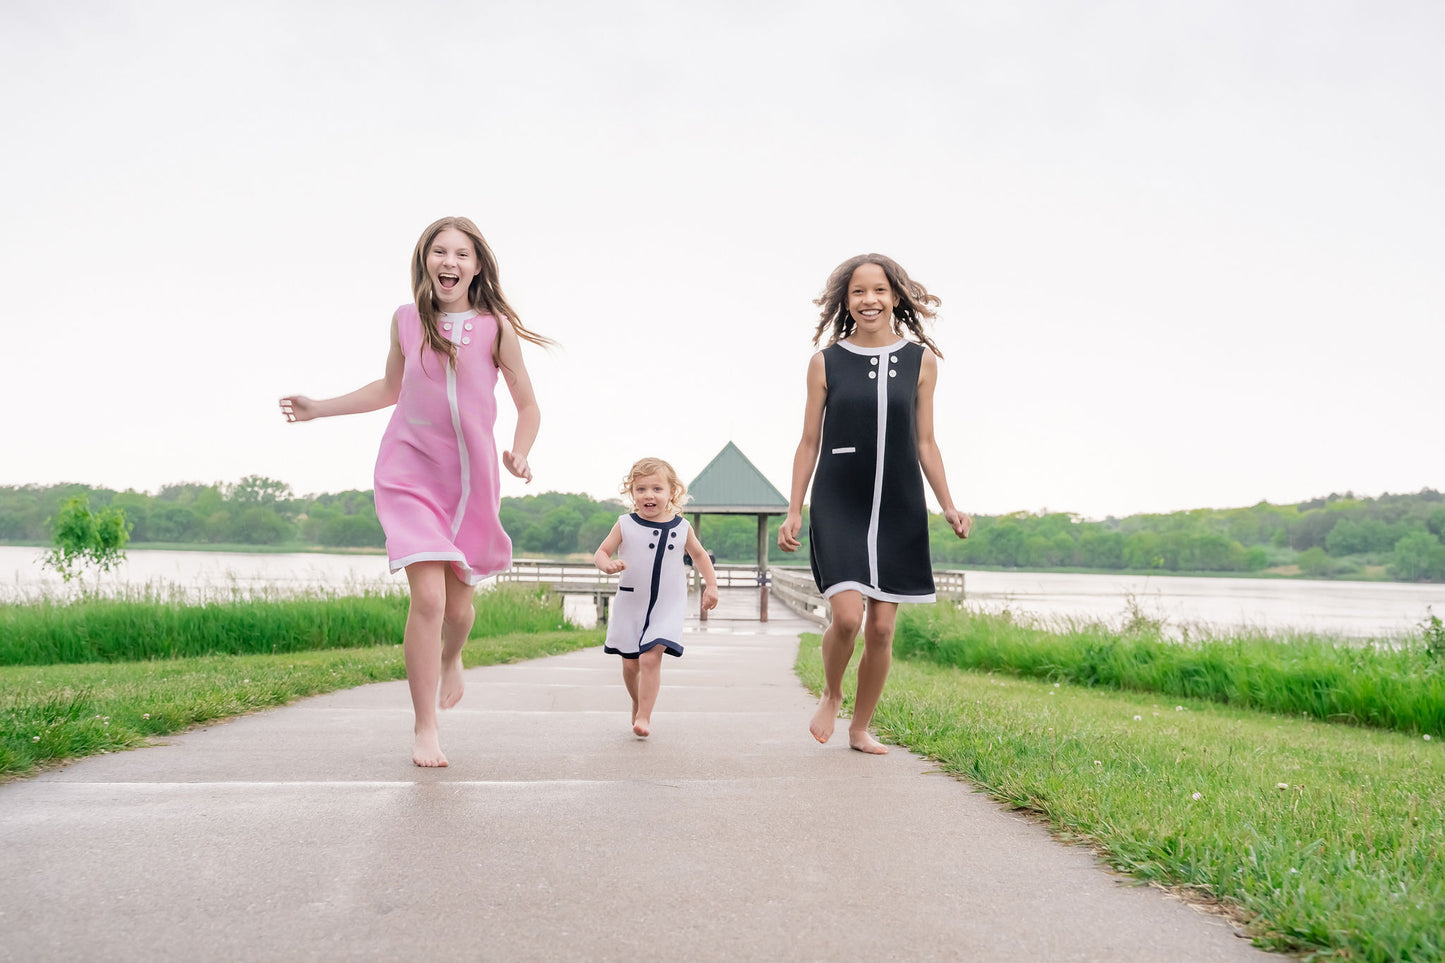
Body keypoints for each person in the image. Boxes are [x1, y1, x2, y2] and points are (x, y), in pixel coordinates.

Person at [279, 216, 549, 768]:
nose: (449, 262)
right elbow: (389, 388)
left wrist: (521, 452)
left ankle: (453, 657)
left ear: (478, 266)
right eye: (439, 251)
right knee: (428, 598)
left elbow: (528, 405)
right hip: (408, 473)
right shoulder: (407, 320)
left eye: (462, 254)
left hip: (469, 483)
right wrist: (319, 408)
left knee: (458, 610)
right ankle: (425, 727)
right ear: (425, 260)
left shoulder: (496, 328)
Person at [778, 254, 972, 754]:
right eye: (859, 292)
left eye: (880, 290)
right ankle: (832, 692)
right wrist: (795, 508)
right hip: (839, 502)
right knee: (847, 617)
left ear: (896, 297)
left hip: (899, 505)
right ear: (846, 301)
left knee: (882, 628)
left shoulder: (921, 362)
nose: (870, 300)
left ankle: (860, 728)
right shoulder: (825, 362)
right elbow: (808, 441)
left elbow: (926, 441)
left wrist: (948, 505)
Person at [593, 457, 719, 738]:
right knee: (630, 664)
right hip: (630, 603)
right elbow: (601, 552)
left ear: (672, 492)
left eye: (657, 489)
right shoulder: (625, 524)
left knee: (650, 658)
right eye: (641, 489)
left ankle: (644, 716)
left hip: (667, 603)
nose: (648, 495)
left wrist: (711, 585)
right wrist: (607, 565)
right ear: (632, 493)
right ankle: (637, 701)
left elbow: (700, 555)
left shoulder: (682, 527)